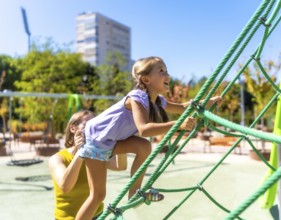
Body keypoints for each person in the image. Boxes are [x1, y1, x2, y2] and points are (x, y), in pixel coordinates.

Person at [76, 56, 223, 220]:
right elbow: (144, 129)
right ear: (146, 79)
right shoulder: (137, 97)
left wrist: (208, 102)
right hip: (96, 140)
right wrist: (178, 125)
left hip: (111, 141)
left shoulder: (157, 100)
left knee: (144, 146)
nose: (167, 75)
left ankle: (134, 192)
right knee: (97, 196)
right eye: (161, 71)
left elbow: (182, 107)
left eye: (167, 70)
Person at [49, 110, 129, 219]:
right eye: (87, 125)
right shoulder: (57, 159)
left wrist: (121, 139)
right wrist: (80, 152)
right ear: (72, 128)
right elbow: (65, 187)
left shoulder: (97, 154)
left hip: (97, 216)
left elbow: (121, 166)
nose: (92, 129)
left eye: (95, 124)